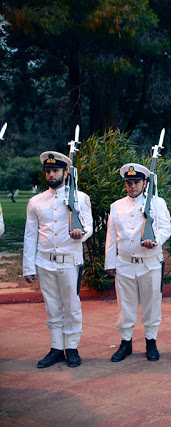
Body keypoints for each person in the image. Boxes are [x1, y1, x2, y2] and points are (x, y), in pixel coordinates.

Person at [23, 151, 93, 368]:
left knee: (71, 305)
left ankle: (71, 347)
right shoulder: (36, 201)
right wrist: (28, 267)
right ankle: (56, 348)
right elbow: (30, 235)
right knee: (52, 306)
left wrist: (81, 234)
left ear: (66, 172)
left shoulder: (79, 198)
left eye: (55, 171)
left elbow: (89, 226)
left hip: (69, 260)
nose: (51, 175)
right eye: (48, 171)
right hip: (45, 261)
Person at [105, 163, 171, 362]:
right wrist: (110, 263)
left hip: (149, 263)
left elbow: (166, 228)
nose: (132, 186)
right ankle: (126, 343)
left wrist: (156, 240)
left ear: (144, 183)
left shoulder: (157, 203)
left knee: (151, 304)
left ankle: (151, 341)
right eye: (129, 182)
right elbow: (111, 236)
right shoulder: (116, 206)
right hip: (125, 263)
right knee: (125, 305)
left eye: (136, 182)